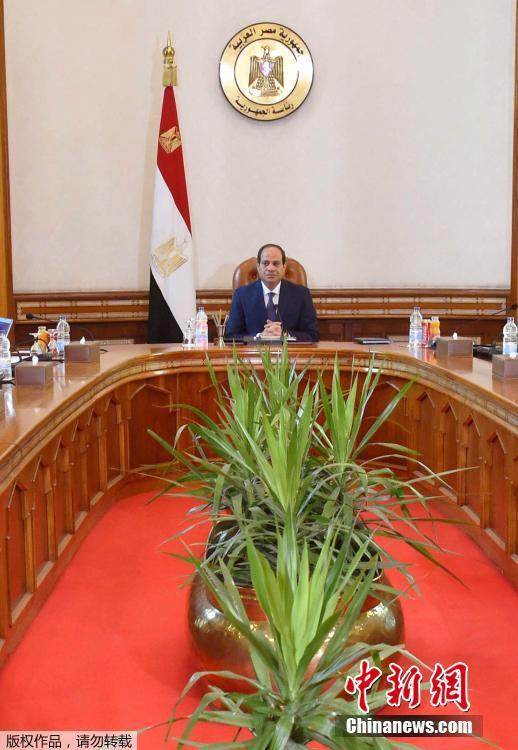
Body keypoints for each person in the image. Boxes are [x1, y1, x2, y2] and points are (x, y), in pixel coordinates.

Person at [226, 244, 319, 342]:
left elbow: (313, 334)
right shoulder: (242, 295)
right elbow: (230, 335)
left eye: (276, 263)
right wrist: (259, 336)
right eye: (265, 263)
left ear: (284, 267)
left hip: (290, 351)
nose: (270, 268)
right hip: (254, 351)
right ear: (258, 267)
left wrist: (284, 335)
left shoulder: (301, 294)